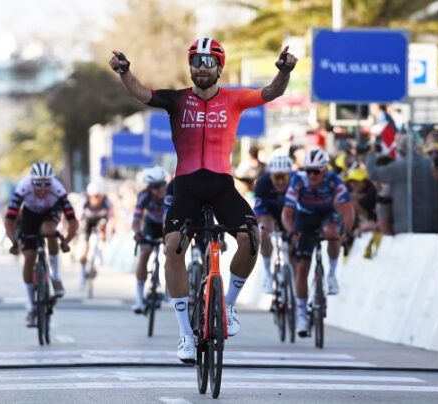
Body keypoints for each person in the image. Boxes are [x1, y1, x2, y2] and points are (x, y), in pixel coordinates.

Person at [110, 37, 297, 362]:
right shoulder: (177, 99)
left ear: (220, 68)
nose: (202, 67)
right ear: (190, 66)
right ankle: (185, 335)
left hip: (222, 185)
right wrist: (125, 72)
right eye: (196, 61)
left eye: (209, 62)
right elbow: (142, 93)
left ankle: (229, 306)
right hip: (186, 186)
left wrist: (284, 72)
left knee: (252, 237)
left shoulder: (235, 99)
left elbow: (272, 92)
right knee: (172, 248)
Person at [281, 149, 353, 337]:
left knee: (333, 232)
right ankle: (302, 314)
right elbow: (286, 213)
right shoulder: (298, 180)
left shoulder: (333, 180)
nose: (312, 175)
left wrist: (347, 231)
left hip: (326, 215)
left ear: (325, 170)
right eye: (308, 170)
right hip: (303, 218)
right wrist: (292, 232)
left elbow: (347, 210)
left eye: (316, 171)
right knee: (302, 268)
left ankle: (331, 274)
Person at [4, 162, 79, 327]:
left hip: (50, 213)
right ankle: (31, 306)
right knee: (29, 257)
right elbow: (9, 219)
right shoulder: (23, 187)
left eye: (47, 184)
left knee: (49, 231)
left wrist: (66, 241)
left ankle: (56, 277)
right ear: (32, 182)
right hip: (29, 215)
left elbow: (72, 220)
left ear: (52, 182)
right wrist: (13, 241)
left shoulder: (58, 189)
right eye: (39, 184)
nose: (43, 189)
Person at [366, 134, 438, 234]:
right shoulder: (431, 164)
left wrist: (371, 153)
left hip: (407, 227)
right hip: (433, 225)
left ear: (400, 150)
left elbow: (373, 173)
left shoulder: (400, 167)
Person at [253, 153, 294, 294]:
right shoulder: (262, 183)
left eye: (284, 177)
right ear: (270, 176)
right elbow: (258, 213)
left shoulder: (297, 181)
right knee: (264, 232)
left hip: (290, 212)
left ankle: (293, 274)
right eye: (277, 177)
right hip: (269, 212)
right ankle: (267, 273)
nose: (281, 182)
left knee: (294, 235)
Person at [131, 165, 167, 313]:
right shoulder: (144, 196)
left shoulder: (171, 194)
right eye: (156, 187)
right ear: (149, 188)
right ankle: (139, 297)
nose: (160, 189)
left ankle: (169, 290)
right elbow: (136, 219)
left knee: (171, 253)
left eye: (163, 185)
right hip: (151, 225)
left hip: (168, 224)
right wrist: (137, 233)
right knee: (144, 252)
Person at [79, 182, 113, 286]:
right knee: (85, 247)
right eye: (92, 196)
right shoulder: (84, 200)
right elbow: (79, 215)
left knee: (103, 231)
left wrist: (108, 231)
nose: (95, 199)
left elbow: (111, 216)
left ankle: (100, 254)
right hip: (88, 222)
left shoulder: (106, 201)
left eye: (97, 196)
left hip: (101, 221)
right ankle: (82, 273)